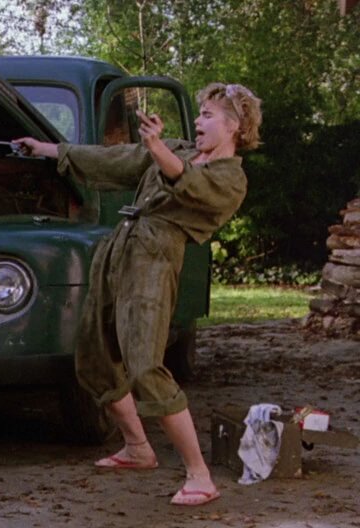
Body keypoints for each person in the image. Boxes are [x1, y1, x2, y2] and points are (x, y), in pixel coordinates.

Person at [13, 82, 262, 506]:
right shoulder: (179, 149)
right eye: (199, 113)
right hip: (120, 249)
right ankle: (137, 447)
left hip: (156, 258)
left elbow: (188, 183)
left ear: (234, 126)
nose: (198, 121)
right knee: (95, 356)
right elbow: (116, 159)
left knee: (145, 365)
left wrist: (156, 146)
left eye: (207, 115)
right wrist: (48, 150)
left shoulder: (230, 177)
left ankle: (200, 475)